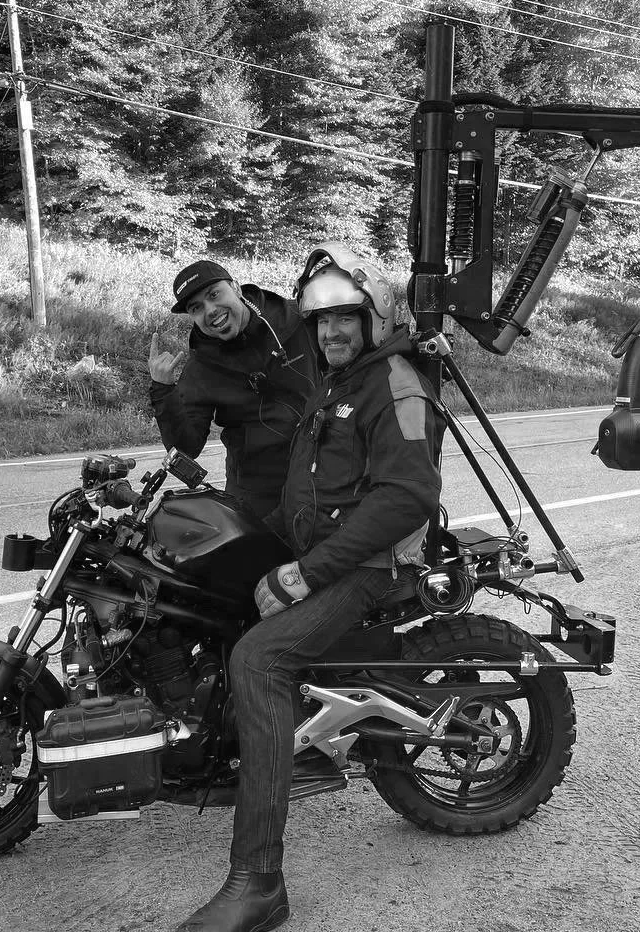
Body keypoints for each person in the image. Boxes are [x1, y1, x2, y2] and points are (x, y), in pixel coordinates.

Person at [176, 244, 444, 932]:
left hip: (366, 568)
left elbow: (407, 497)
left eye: (346, 320)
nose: (332, 334)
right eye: (322, 324)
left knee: (258, 661)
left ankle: (258, 883)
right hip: (321, 549)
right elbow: (311, 484)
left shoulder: (395, 387)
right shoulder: (338, 379)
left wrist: (303, 572)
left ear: (373, 319)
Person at [149, 259, 318, 521]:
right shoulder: (200, 368)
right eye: (197, 308)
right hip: (257, 490)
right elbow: (186, 447)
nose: (211, 310)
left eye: (214, 295)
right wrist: (163, 390)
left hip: (321, 470)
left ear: (236, 287)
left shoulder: (297, 319)